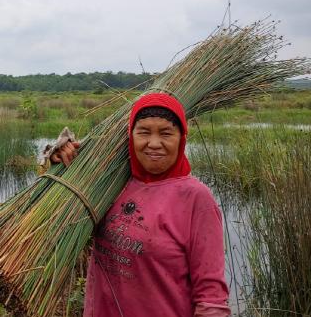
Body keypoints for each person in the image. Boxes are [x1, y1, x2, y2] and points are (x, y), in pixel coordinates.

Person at [55, 93, 230, 317]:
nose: (154, 144)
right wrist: (60, 162)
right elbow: (58, 226)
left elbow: (211, 297)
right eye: (144, 132)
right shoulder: (111, 185)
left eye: (166, 133)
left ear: (182, 138)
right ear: (131, 136)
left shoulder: (196, 198)